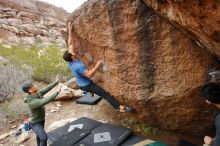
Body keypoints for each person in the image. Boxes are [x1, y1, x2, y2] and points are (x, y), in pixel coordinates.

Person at [63, 22, 132, 112]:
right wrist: (97, 65)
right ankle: (120, 108)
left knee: (94, 87)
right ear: (72, 57)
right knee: (105, 95)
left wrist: (70, 30)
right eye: (72, 53)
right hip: (87, 85)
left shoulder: (70, 61)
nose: (72, 51)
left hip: (81, 83)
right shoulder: (78, 66)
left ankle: (91, 92)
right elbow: (89, 75)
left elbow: (70, 43)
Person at [22, 78, 60, 146]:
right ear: (30, 90)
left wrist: (56, 82)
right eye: (33, 85)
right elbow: (45, 101)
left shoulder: (36, 93)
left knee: (39, 137)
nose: (36, 85)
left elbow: (47, 89)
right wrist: (57, 92)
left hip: (41, 120)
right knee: (44, 138)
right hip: (35, 123)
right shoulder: (32, 102)